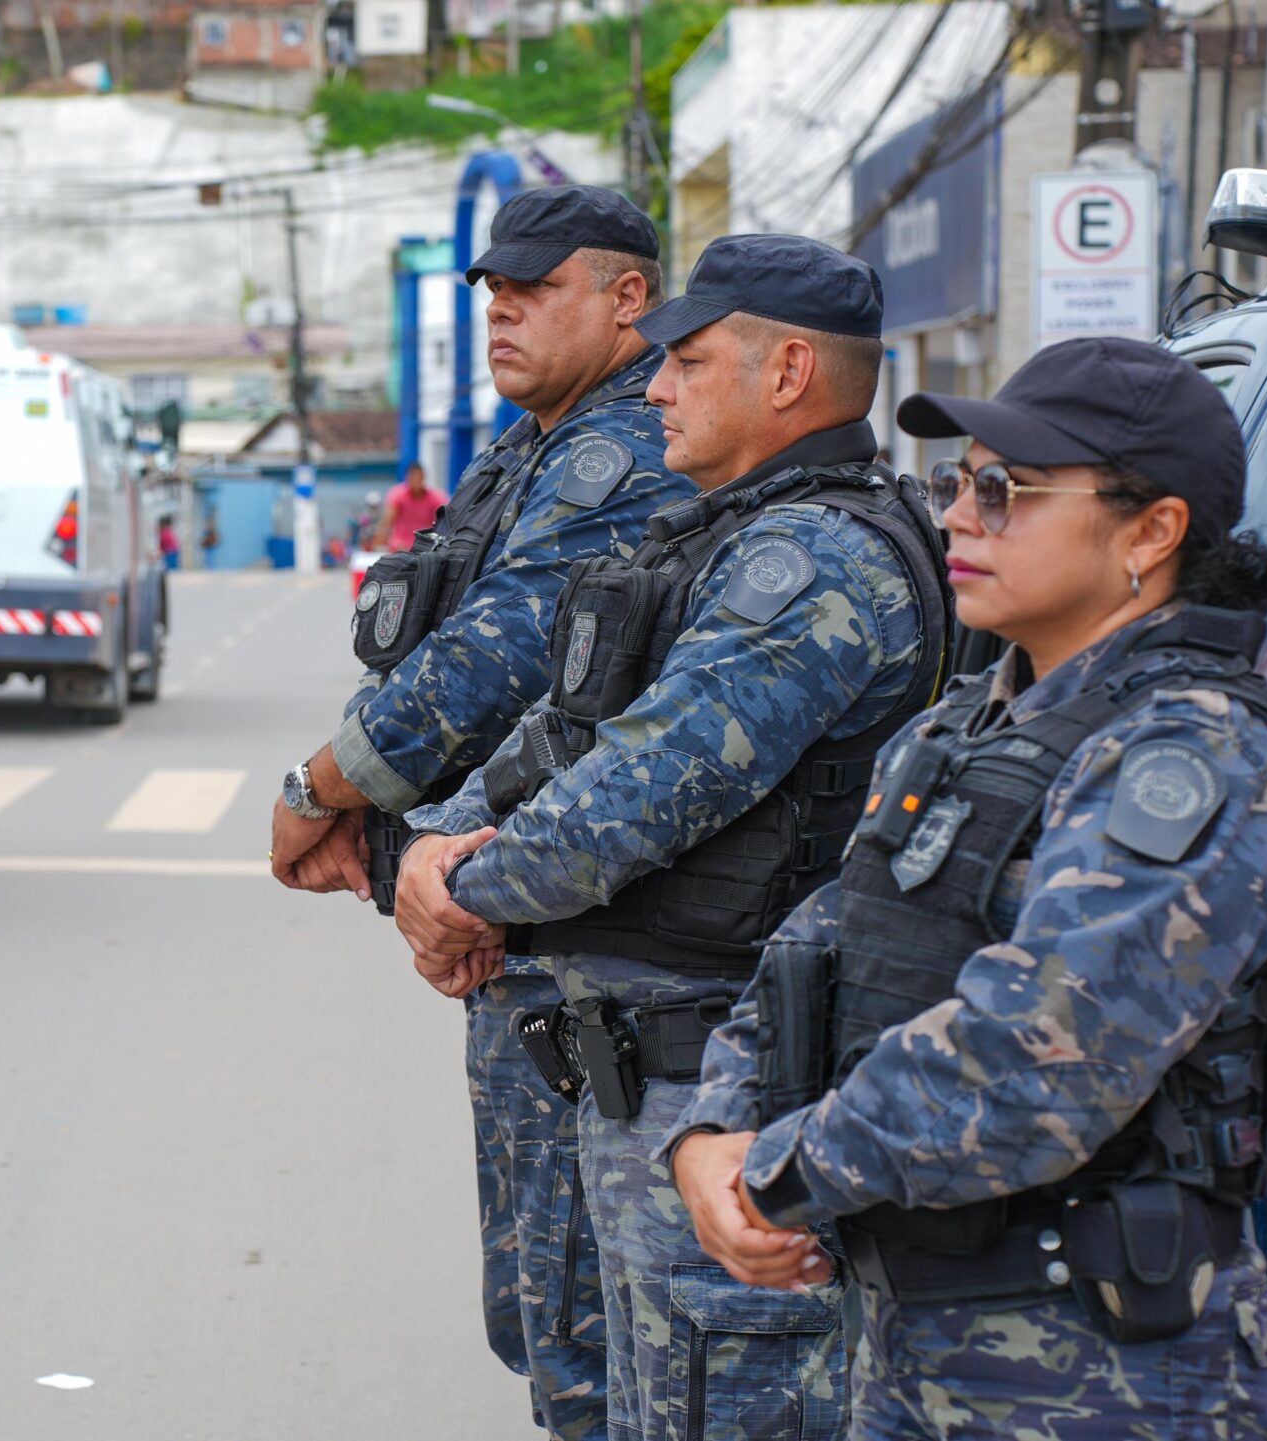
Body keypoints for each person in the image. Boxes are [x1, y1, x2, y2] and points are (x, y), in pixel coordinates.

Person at [667, 337, 1267, 1438]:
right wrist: (710, 1132)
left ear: (1151, 533)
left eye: (1002, 489)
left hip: (1104, 1374)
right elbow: (811, 951)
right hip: (910, 1347)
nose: (958, 517)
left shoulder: (1192, 751)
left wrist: (771, 1174)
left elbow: (1039, 1056)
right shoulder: (962, 728)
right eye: (952, 484)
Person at [395, 234, 954, 1441]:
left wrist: (461, 887)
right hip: (633, 1075)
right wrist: (431, 844)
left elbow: (639, 792)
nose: (653, 390)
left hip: (720, 1082)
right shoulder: (721, 536)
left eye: (686, 363)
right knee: (604, 1398)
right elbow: (571, 731)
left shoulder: (815, 560)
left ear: (789, 372)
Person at [266, 183, 685, 1440]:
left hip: (574, 928)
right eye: (492, 293)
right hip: (512, 915)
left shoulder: (623, 447)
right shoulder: (540, 439)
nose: (501, 312)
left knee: (582, 1329)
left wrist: (316, 789)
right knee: (541, 1307)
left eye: (535, 289)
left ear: (627, 301)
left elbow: (492, 661)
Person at [371, 461, 450, 553]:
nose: (416, 480)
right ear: (407, 478)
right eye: (413, 477)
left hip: (426, 547)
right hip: (400, 547)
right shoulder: (397, 495)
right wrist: (378, 542)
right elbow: (387, 522)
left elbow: (446, 518)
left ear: (424, 477)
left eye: (419, 477)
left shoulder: (436, 496)